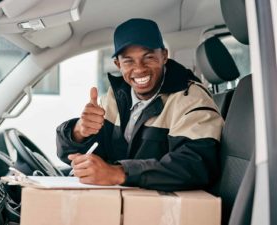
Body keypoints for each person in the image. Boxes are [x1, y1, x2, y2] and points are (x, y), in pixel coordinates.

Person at [56, 18, 224, 191]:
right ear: (118, 64)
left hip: (163, 210)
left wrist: (118, 173)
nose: (139, 68)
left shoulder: (191, 98)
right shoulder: (115, 97)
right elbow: (69, 154)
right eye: (128, 60)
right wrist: (79, 131)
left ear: (164, 56)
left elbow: (196, 164)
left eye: (148, 57)